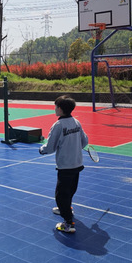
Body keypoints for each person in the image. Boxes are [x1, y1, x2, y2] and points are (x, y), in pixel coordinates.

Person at [39, 95, 89, 234]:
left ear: (60, 109)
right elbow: (84, 141)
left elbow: (50, 147)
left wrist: (42, 150)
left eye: (56, 107)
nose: (55, 109)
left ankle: (68, 223)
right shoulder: (76, 122)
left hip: (65, 165)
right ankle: (66, 208)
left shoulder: (58, 125)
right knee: (71, 189)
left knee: (61, 195)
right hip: (77, 163)